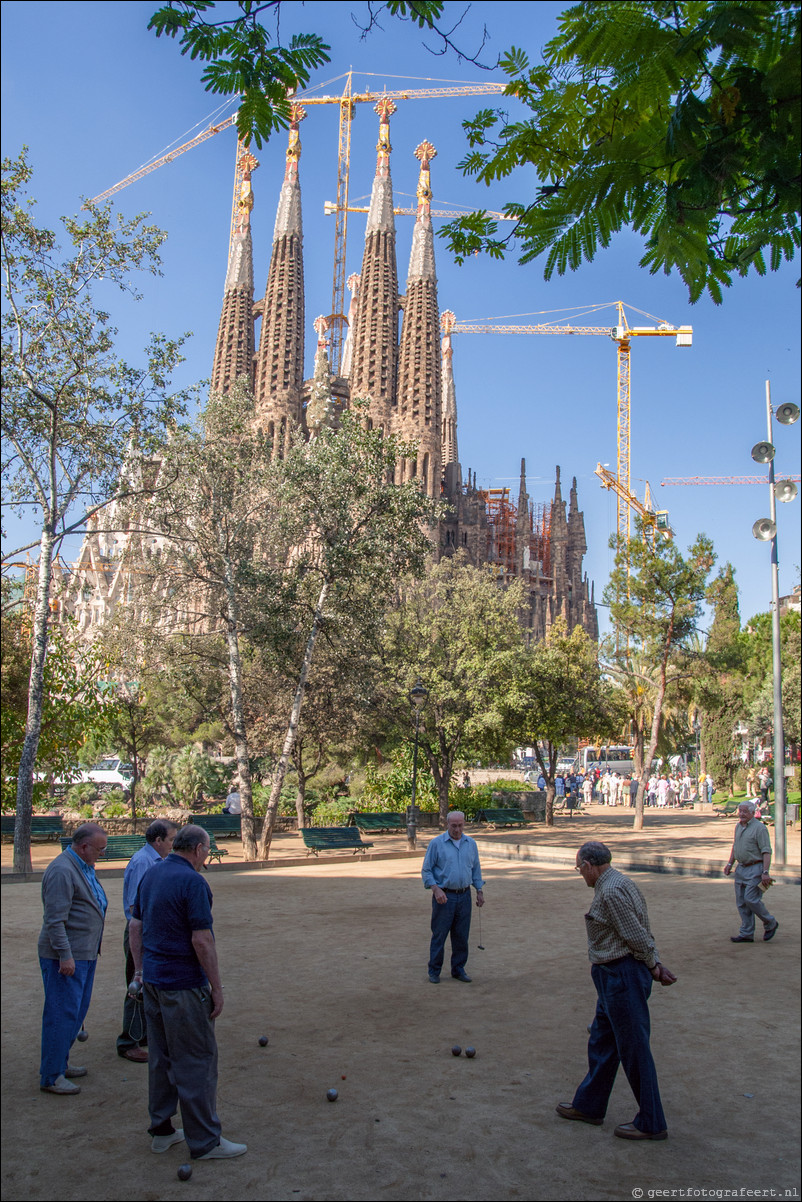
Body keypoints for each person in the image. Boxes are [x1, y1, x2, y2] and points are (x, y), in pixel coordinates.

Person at [129, 824, 247, 1160]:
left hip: (153, 983)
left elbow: (134, 926)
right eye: (207, 850)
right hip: (183, 985)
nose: (207, 856)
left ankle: (162, 1130)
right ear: (197, 848)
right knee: (197, 1061)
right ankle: (206, 1141)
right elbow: (201, 939)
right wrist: (217, 988)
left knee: (161, 1059)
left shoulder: (152, 874)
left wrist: (139, 971)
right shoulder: (193, 882)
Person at [557, 841, 676, 1141]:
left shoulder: (610, 892)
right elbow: (641, 927)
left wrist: (653, 965)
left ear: (588, 865)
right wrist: (654, 963)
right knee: (602, 1041)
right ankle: (589, 1106)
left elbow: (636, 934)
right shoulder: (622, 881)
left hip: (621, 976)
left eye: (578, 869)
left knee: (634, 1050)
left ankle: (652, 1122)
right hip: (614, 976)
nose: (580, 874)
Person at [38, 822, 108, 1095]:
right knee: (61, 1014)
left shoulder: (82, 866)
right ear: (83, 846)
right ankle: (51, 1075)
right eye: (100, 849)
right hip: (66, 957)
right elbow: (55, 921)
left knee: (75, 1013)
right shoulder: (62, 870)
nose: (103, 854)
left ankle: (59, 1063)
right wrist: (65, 957)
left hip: (84, 953)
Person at [117, 820, 179, 1063]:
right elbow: (135, 906)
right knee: (137, 983)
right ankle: (127, 1042)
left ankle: (141, 1034)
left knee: (149, 984)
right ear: (158, 841)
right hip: (140, 932)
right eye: (171, 840)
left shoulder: (156, 861)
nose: (173, 845)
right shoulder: (144, 862)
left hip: (149, 930)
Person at [421, 811, 484, 984]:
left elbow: (476, 869)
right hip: (444, 897)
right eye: (454, 826)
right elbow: (426, 870)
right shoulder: (436, 844)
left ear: (464, 824)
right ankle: (434, 971)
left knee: (461, 936)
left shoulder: (471, 844)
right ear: (447, 824)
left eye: (460, 825)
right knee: (439, 935)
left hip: (464, 896)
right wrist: (435, 889)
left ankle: (458, 969)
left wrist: (479, 890)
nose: (457, 829)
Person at [724, 801, 779, 943]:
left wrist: (765, 872)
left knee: (751, 899)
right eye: (740, 811)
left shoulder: (759, 828)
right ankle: (747, 933)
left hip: (755, 868)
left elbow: (766, 851)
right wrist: (730, 863)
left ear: (753, 813)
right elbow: (735, 846)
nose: (741, 814)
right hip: (741, 868)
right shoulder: (738, 826)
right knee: (741, 902)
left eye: (745, 811)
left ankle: (770, 922)